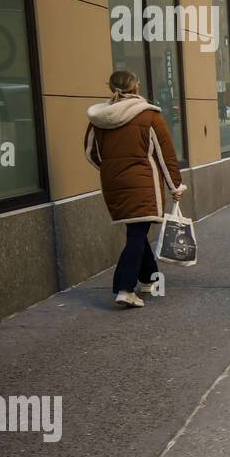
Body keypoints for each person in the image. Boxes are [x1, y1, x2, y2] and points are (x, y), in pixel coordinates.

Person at [84, 70, 184, 309]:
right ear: (136, 87)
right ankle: (124, 288)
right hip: (143, 184)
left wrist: (112, 171)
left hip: (114, 184)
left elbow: (91, 154)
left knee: (136, 230)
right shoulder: (149, 115)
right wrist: (175, 186)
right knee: (137, 234)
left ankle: (149, 278)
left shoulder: (99, 118)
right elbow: (165, 155)